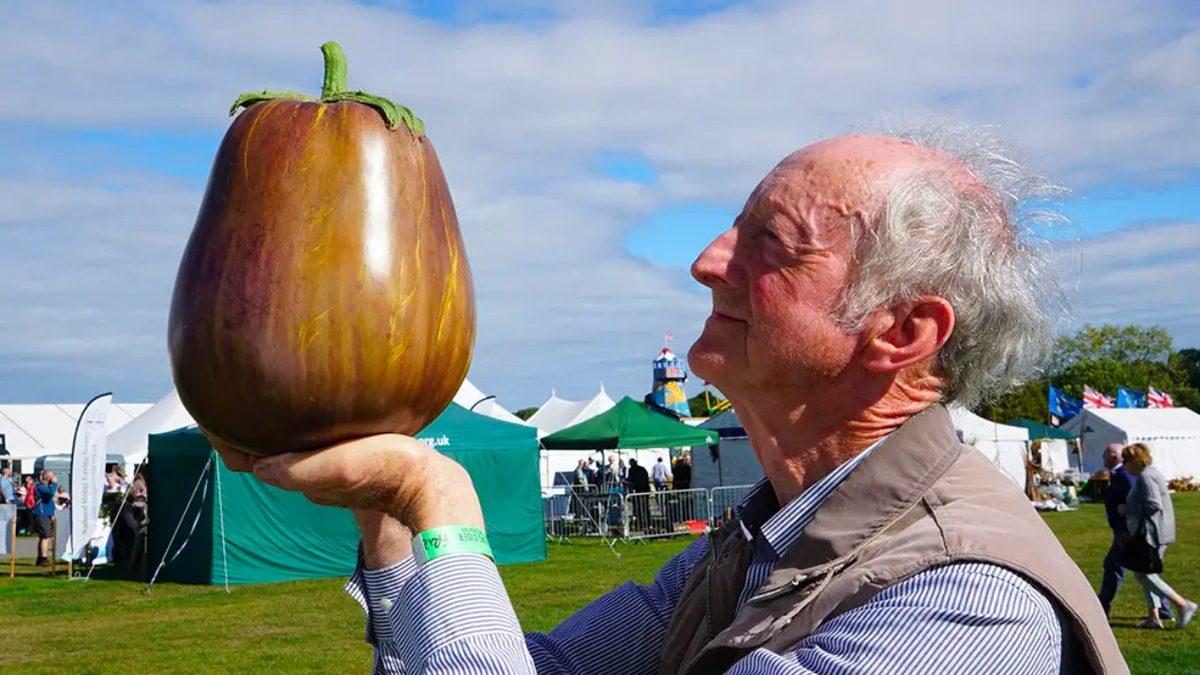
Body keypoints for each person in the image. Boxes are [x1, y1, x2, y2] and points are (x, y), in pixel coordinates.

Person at [209, 130, 1127, 673]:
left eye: (771, 242)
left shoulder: (967, 609)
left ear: (900, 333)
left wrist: (438, 502)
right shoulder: (762, 546)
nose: (706, 261)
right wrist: (390, 520)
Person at [1120, 443, 1197, 630]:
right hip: (1156, 531)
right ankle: (1154, 617)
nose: (1124, 465)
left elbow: (1154, 504)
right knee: (1144, 574)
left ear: (1135, 461)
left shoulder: (1146, 476)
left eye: (1126, 461)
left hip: (1153, 533)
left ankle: (1183, 605)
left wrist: (1127, 509)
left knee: (1145, 575)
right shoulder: (1150, 473)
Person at [1097, 443, 1171, 619]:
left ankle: (1102, 606)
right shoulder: (1122, 474)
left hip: (1129, 530)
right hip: (1127, 529)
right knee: (1144, 572)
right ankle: (1163, 610)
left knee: (1116, 567)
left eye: (1104, 455)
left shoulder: (1125, 475)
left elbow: (1144, 501)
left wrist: (1126, 515)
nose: (1103, 459)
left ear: (1113, 456)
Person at [33, 470, 59, 566]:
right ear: (49, 478)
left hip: (46, 514)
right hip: (42, 514)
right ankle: (43, 558)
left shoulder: (45, 486)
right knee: (45, 536)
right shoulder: (41, 487)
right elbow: (50, 494)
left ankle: (40, 558)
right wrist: (55, 483)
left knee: (44, 536)